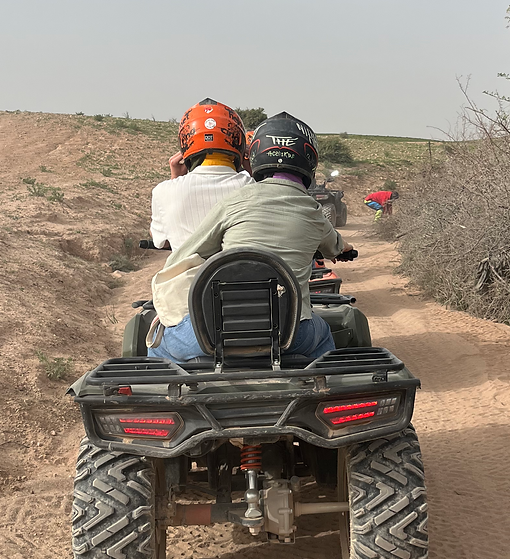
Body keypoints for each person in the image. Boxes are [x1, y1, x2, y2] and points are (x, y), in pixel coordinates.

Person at [148, 112, 356, 363]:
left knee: (158, 344)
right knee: (322, 335)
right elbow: (336, 246)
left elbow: (188, 252)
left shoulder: (235, 201)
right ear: (310, 160)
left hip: (216, 336)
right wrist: (345, 249)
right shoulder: (313, 212)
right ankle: (324, 388)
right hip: (289, 336)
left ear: (255, 155)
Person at [149, 102, 250, 251]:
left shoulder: (163, 192)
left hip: (186, 274)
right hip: (239, 273)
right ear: (238, 143)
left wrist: (175, 180)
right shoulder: (253, 187)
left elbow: (160, 240)